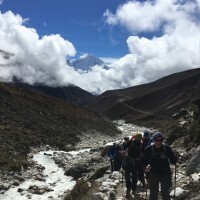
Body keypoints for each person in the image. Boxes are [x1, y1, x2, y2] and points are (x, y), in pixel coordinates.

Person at [143, 132, 177, 200]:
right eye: (157, 140)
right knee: (153, 194)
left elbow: (173, 161)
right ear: (153, 140)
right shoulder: (148, 149)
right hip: (153, 173)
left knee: (165, 194)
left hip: (165, 173)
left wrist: (175, 157)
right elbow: (143, 161)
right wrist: (146, 167)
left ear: (162, 140)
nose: (159, 142)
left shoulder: (167, 148)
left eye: (160, 140)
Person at [123, 133, 145, 197]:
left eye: (140, 138)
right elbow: (124, 148)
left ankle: (133, 189)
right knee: (127, 177)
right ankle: (128, 189)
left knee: (134, 177)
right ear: (135, 137)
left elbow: (143, 153)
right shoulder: (130, 142)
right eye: (138, 138)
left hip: (135, 162)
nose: (139, 139)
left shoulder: (141, 144)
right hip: (129, 161)